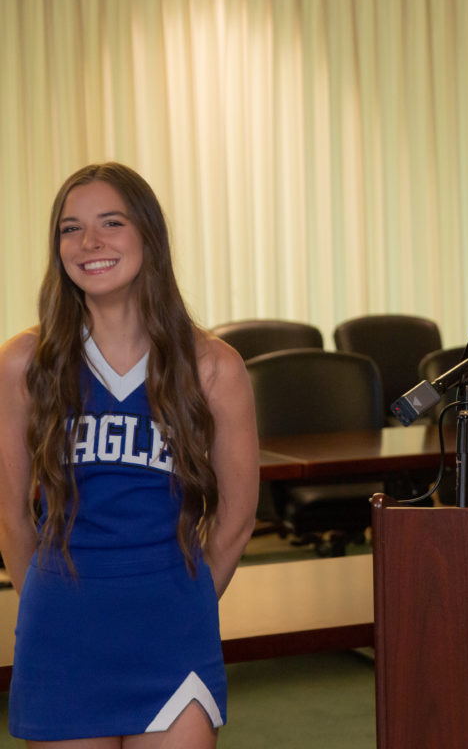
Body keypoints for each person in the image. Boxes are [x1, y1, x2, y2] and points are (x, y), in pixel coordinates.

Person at [0, 162, 259, 745]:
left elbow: (238, 519)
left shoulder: (213, 365)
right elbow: (11, 517)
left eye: (110, 223)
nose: (89, 243)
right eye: (70, 229)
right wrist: (52, 598)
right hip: (61, 630)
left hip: (172, 630)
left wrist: (181, 598)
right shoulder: (24, 362)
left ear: (148, 235)